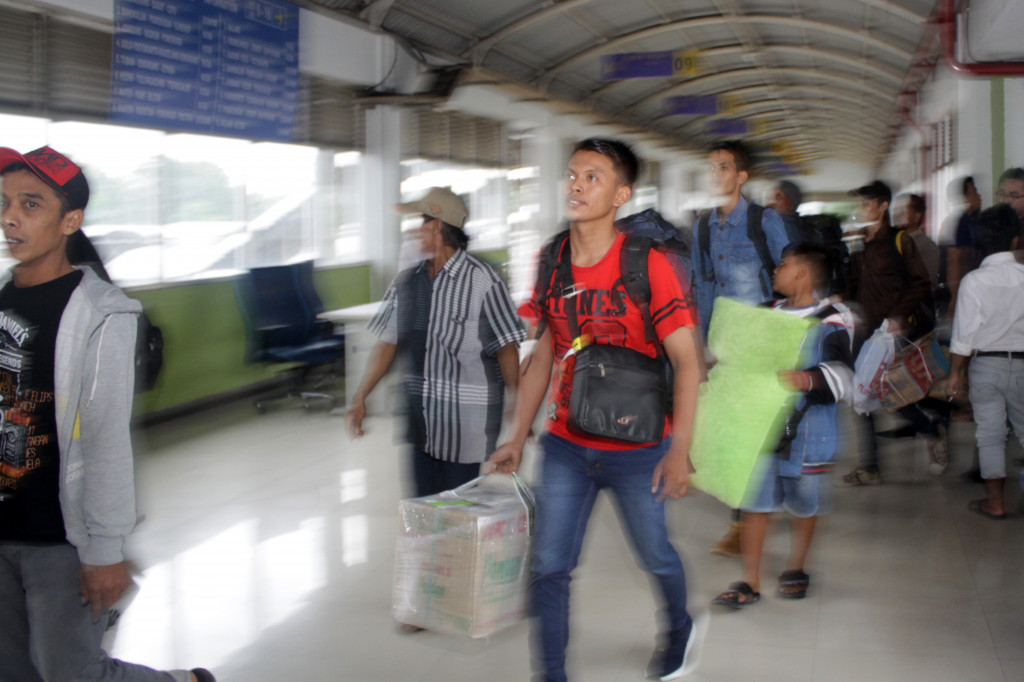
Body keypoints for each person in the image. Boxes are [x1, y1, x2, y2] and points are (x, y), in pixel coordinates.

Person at [488, 138, 706, 682]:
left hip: (640, 446)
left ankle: (680, 629)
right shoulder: (553, 259)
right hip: (566, 442)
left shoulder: (648, 264)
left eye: (593, 177)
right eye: (572, 175)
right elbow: (544, 353)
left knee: (655, 555)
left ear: (621, 194)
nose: (577, 185)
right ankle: (552, 674)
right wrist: (518, 434)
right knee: (549, 568)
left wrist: (680, 450)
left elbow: (687, 362)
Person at [0, 146, 214, 682]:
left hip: (59, 535)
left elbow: (104, 438)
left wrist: (105, 550)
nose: (10, 218)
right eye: (4, 203)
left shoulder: (102, 314)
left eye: (31, 204)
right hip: (2, 526)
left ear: (70, 220)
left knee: (72, 672)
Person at [346, 186, 525, 499]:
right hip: (421, 421)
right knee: (422, 508)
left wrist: (518, 402)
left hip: (466, 422)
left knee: (458, 510)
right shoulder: (408, 281)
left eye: (421, 223)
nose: (417, 232)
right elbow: (388, 343)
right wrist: (361, 396)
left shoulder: (483, 280)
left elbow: (506, 346)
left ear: (437, 226)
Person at [711, 243, 855, 607]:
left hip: (809, 429)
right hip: (761, 426)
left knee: (805, 499)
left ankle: (796, 565)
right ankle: (750, 580)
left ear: (802, 272)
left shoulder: (834, 318)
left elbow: (842, 372)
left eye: (784, 265)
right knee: (755, 501)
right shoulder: (766, 312)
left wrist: (806, 380)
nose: (776, 271)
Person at [693, 141, 791, 557]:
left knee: (760, 431)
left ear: (742, 176)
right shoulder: (702, 227)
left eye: (724, 168)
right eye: (711, 167)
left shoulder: (764, 221)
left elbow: (790, 277)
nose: (716, 175)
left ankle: (753, 513)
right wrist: (700, 346)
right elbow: (701, 287)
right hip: (726, 347)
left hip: (763, 344)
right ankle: (744, 518)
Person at [841, 180, 946, 486]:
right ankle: (869, 466)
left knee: (891, 394)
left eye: (865, 203)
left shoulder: (900, 241)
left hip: (892, 333)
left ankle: (928, 429)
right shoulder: (860, 243)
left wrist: (899, 317)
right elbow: (857, 285)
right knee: (861, 398)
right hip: (865, 332)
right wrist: (840, 298)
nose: (860, 209)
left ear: (882, 206)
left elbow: (920, 283)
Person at [948, 204, 1024, 520]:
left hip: (985, 367)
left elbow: (964, 336)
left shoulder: (974, 282)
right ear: (1016, 240)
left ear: (980, 243)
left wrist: (956, 373)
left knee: (990, 435)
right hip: (1022, 365)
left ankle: (995, 502)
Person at [893, 193, 939, 287]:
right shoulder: (887, 241)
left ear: (917, 216)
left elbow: (926, 285)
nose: (897, 215)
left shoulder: (927, 247)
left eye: (903, 210)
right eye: (895, 210)